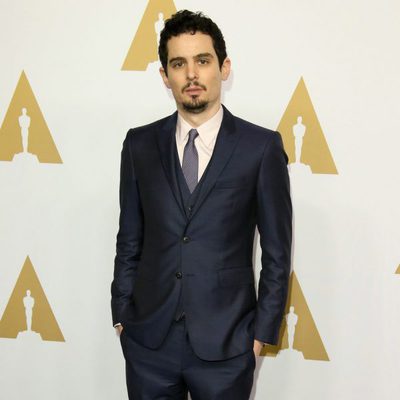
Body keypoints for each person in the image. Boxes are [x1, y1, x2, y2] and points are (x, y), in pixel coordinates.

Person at [111, 10, 292, 400]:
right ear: (165, 75)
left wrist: (260, 335)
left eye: (203, 61)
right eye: (178, 64)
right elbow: (129, 239)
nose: (191, 75)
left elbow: (277, 252)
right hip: (148, 343)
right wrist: (122, 315)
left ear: (223, 68)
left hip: (228, 345)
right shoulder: (139, 145)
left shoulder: (260, 148)